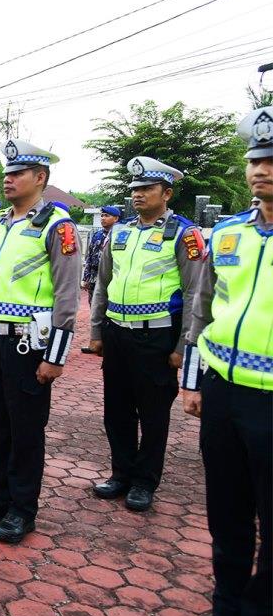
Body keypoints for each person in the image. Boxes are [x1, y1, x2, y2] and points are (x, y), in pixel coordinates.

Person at [0, 139, 81, 545]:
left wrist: (56, 356)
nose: (8, 180)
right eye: (7, 174)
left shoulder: (56, 226)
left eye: (17, 174)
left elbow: (67, 296)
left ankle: (23, 509)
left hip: (29, 344)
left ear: (40, 178)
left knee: (26, 428)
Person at [179, 106, 273, 616]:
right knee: (228, 513)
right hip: (224, 390)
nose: (261, 168)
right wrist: (193, 380)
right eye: (256, 158)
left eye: (272, 159)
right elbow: (204, 309)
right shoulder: (230, 235)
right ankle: (227, 611)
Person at [87, 158, 203, 512]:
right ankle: (120, 473)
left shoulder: (184, 234)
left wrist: (185, 345)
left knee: (153, 414)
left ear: (166, 193)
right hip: (117, 334)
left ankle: (144, 480)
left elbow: (197, 291)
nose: (138, 195)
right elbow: (102, 285)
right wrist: (96, 330)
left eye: (146, 189)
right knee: (116, 410)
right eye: (134, 190)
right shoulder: (119, 232)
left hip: (157, 338)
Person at [79, 205, 121, 353]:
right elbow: (90, 257)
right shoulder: (97, 235)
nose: (103, 218)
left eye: (106, 216)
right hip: (95, 278)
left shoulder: (120, 235)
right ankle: (96, 340)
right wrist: (86, 278)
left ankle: (108, 344)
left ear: (116, 218)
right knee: (95, 310)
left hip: (112, 279)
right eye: (102, 215)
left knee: (109, 312)